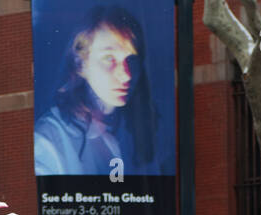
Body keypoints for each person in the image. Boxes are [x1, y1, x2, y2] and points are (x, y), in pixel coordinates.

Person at [33, 5, 164, 176]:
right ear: (80, 64)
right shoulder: (48, 142)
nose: (126, 75)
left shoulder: (140, 131)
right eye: (109, 58)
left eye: (131, 59)